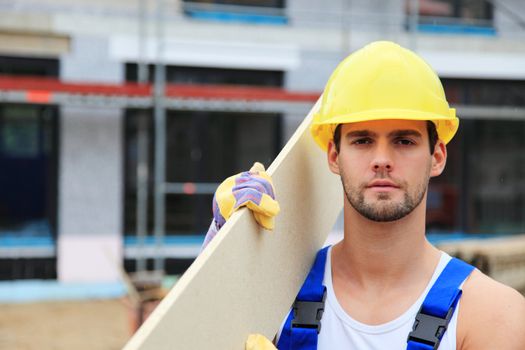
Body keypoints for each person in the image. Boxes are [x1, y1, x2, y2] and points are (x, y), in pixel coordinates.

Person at [201, 41, 525, 350]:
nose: (381, 159)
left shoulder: (491, 315)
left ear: (437, 156)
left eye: (403, 141)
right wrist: (223, 267)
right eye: (362, 140)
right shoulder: (278, 291)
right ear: (333, 155)